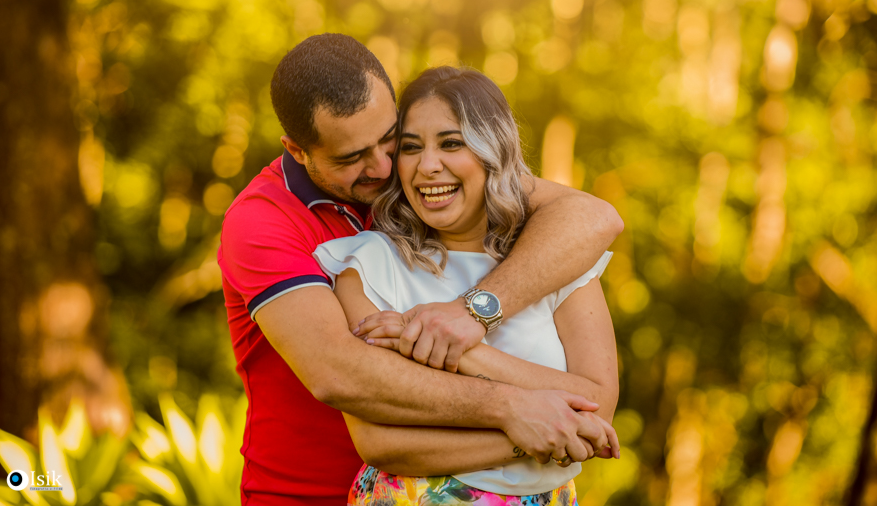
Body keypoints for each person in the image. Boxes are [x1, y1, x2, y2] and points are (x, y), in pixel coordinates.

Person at [218, 34, 624, 505]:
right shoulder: (263, 222)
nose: (383, 165)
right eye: (351, 158)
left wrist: (472, 315)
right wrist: (515, 412)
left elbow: (594, 217)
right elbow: (341, 374)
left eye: (390, 139)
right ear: (298, 149)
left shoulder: (430, 180)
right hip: (304, 495)